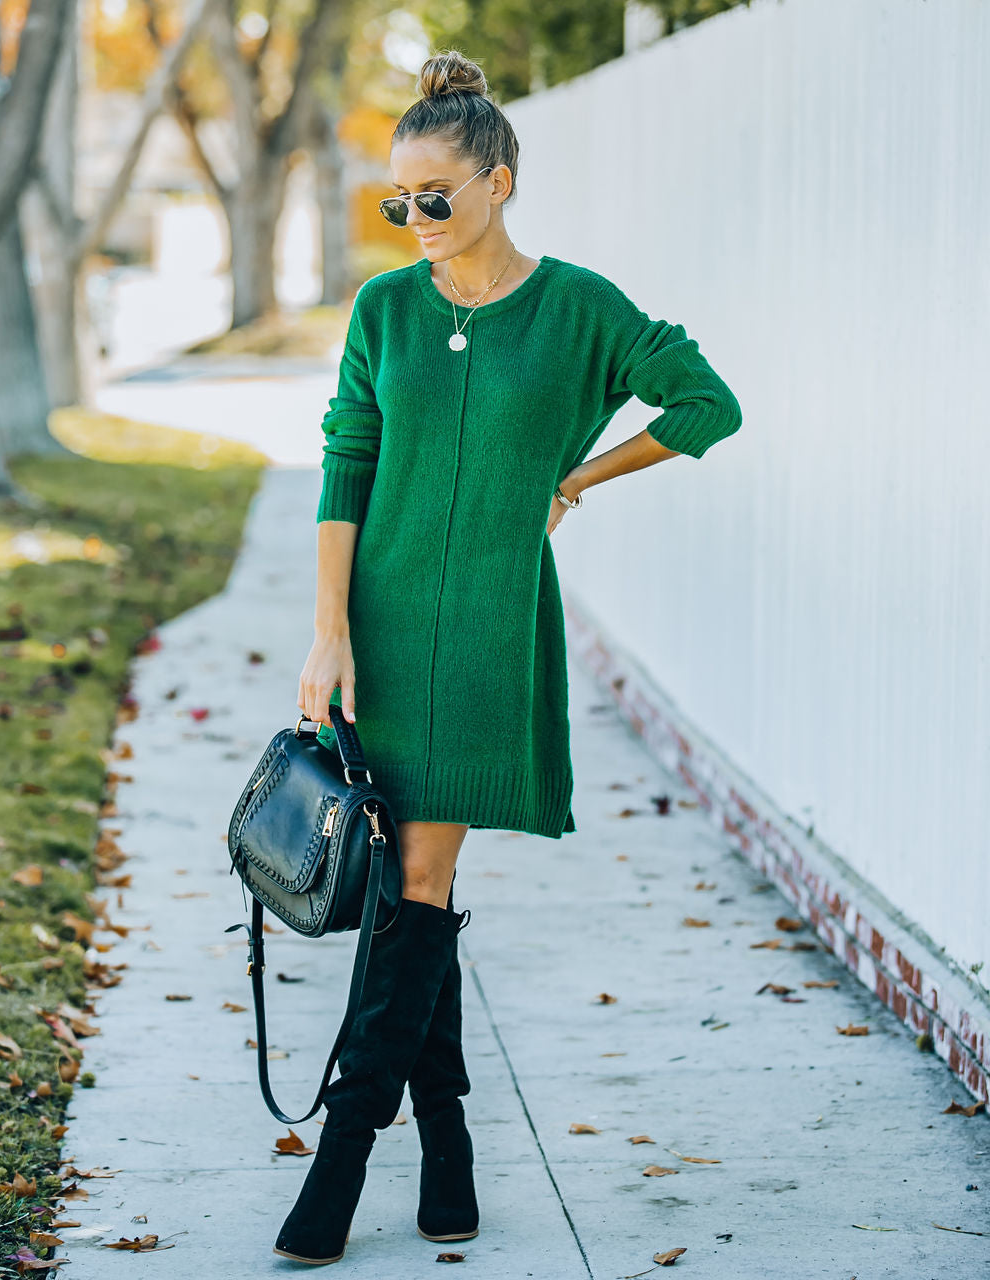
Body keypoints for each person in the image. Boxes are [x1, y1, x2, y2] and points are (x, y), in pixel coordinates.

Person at [277, 48, 743, 1266]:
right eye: (399, 203)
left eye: (437, 197)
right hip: (374, 621)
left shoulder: (579, 306)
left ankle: (340, 1161)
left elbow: (705, 404)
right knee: (397, 886)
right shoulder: (383, 310)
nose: (417, 222)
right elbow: (346, 466)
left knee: (416, 878)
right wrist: (328, 628)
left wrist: (577, 479)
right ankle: (448, 1145)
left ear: (500, 182)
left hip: (489, 630)